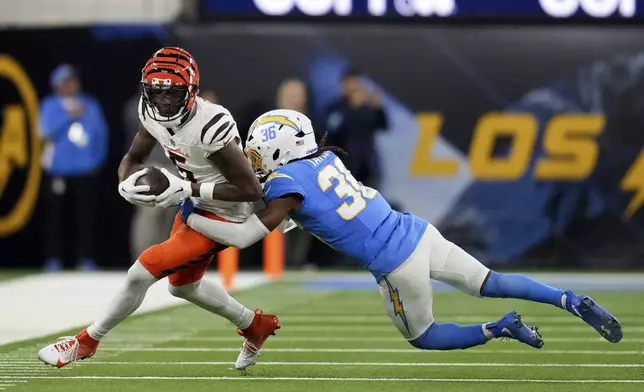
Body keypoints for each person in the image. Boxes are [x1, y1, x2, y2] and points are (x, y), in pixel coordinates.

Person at [180, 109, 623, 351]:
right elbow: (311, 211)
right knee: (491, 281)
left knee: (423, 338)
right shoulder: (326, 159)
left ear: (277, 149)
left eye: (258, 152)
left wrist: (188, 213)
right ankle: (567, 299)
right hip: (417, 231)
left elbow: (242, 238)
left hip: (395, 264)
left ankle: (500, 329)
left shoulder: (285, 185)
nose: (254, 159)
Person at [37, 47, 280, 371]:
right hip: (193, 201)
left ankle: (86, 342)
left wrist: (187, 189)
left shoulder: (210, 124)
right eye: (157, 92)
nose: (164, 101)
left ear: (191, 91)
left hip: (224, 213)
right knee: (182, 287)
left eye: (173, 93)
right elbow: (134, 158)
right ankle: (253, 324)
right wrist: (127, 181)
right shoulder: (149, 112)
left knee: (142, 271)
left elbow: (250, 190)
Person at [39, 64, 109, 271]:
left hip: (84, 171)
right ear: (57, 85)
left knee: (84, 218)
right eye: (66, 81)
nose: (71, 85)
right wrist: (69, 116)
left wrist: (97, 161)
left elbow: (101, 134)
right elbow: (44, 132)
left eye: (74, 80)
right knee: (56, 218)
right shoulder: (50, 105)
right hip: (58, 171)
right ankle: (54, 258)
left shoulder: (90, 104)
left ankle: (84, 258)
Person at [324, 69, 388, 189]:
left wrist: (379, 108)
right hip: (343, 166)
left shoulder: (368, 108)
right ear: (343, 85)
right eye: (350, 83)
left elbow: (384, 125)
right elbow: (332, 131)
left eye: (356, 83)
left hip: (368, 166)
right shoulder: (335, 108)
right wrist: (353, 108)